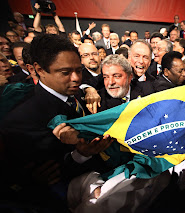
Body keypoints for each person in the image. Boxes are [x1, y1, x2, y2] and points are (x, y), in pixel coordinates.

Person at [0, 34, 112, 210]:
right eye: (65, 72)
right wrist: (81, 154)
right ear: (39, 69)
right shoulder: (23, 118)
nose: (76, 78)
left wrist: (88, 88)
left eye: (79, 70)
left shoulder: (76, 93)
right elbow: (49, 176)